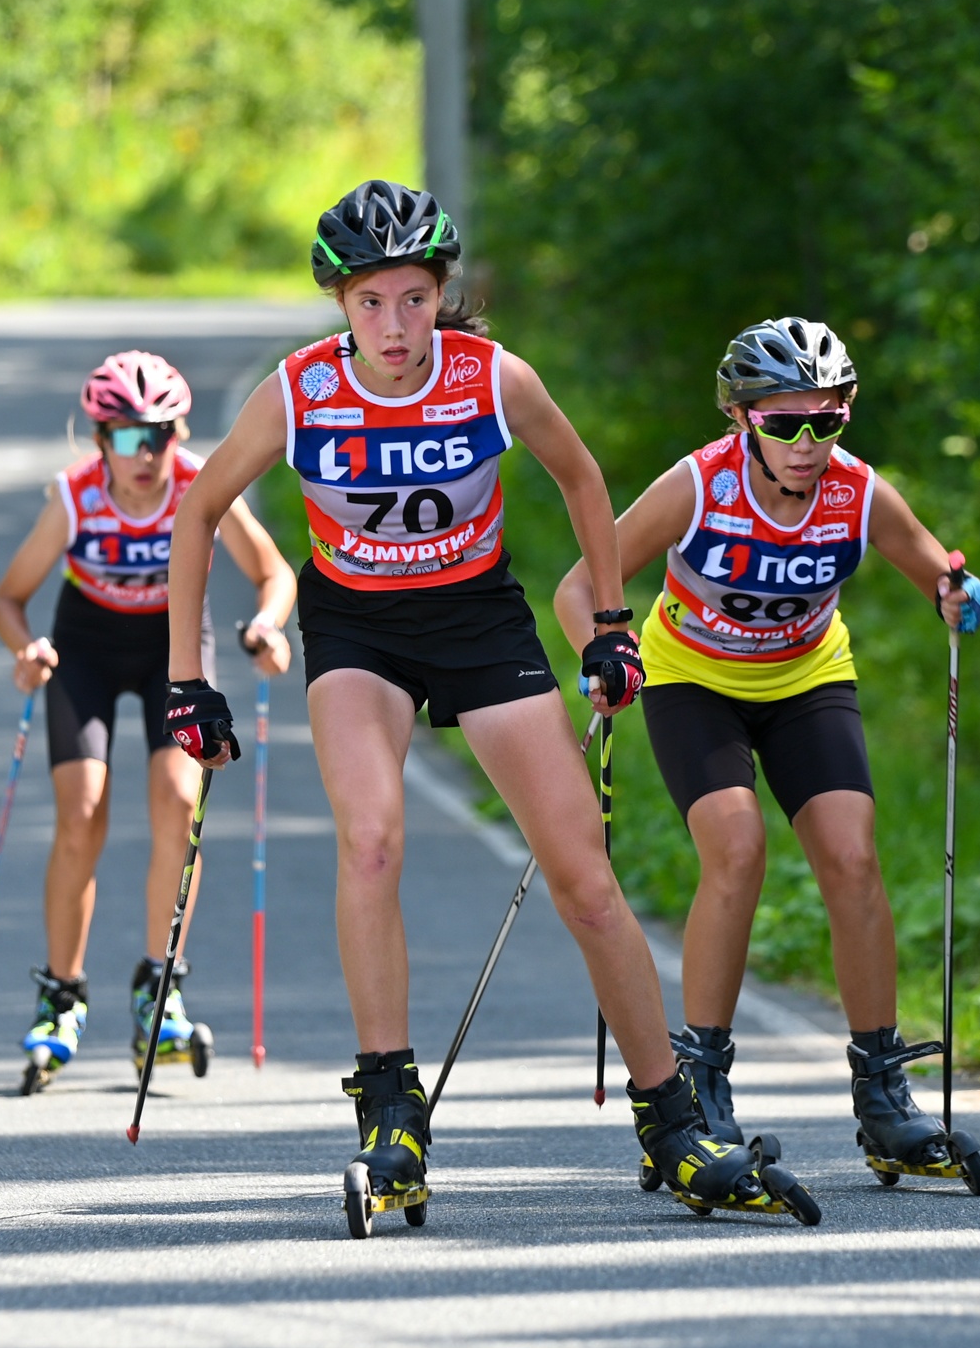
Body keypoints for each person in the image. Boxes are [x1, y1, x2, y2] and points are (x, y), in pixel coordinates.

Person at [164, 180, 815, 1235]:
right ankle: (390, 1110)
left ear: (441, 292)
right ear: (339, 303)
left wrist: (610, 622)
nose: (393, 326)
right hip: (359, 628)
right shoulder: (299, 391)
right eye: (368, 302)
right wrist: (186, 678)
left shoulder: (490, 376)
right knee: (371, 840)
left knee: (585, 875)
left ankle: (676, 1123)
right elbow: (197, 511)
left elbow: (584, 479)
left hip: (479, 618)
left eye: (413, 299)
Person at [553, 316, 980, 1183]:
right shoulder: (697, 487)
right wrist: (604, 652)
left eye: (825, 422)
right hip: (693, 681)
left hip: (806, 679)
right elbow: (579, 587)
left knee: (852, 856)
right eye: (784, 423)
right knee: (738, 846)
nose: (805, 443)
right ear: (741, 419)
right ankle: (702, 1083)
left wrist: (955, 591)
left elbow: (934, 568)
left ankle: (882, 1095)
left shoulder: (857, 492)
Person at [0, 351, 295, 1095]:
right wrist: (25, 649)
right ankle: (62, 994)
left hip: (175, 645)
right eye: (128, 438)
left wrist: (267, 625)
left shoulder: (197, 482)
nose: (147, 454)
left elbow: (275, 572)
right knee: (82, 815)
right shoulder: (75, 496)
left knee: (178, 801)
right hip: (88, 645)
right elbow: (8, 597)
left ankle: (162, 988)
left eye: (161, 434)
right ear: (100, 442)